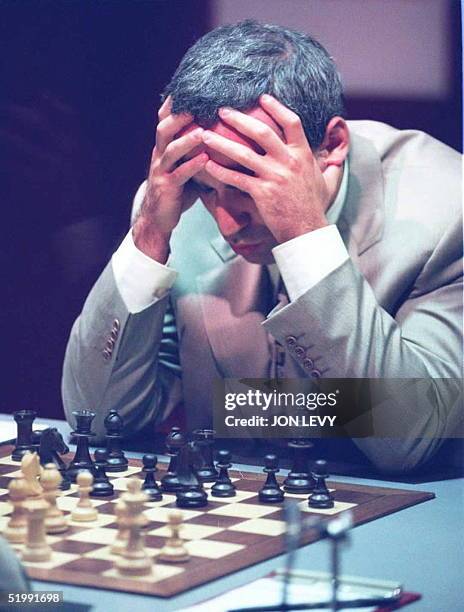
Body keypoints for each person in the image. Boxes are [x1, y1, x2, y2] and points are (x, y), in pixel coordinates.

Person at [62, 20, 462, 474]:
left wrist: (304, 236)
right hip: (230, 521)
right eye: (207, 189)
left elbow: (407, 440)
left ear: (330, 144)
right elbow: (93, 423)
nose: (226, 221)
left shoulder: (450, 212)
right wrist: (149, 234)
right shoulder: (175, 207)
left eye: (249, 182)